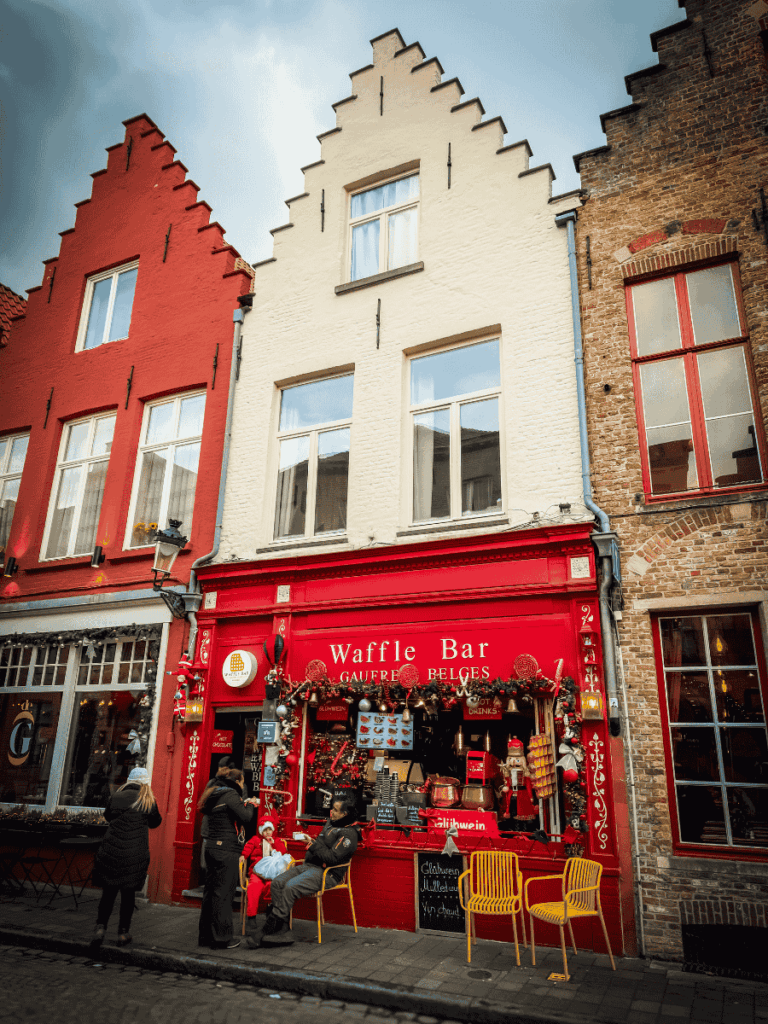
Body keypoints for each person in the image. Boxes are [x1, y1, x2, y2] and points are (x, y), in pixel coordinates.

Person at [258, 796, 361, 947]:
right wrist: (312, 843)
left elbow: (331, 858)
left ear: (344, 814)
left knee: (290, 887)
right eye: (332, 808)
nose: (331, 812)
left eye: (335, 810)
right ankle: (283, 929)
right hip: (310, 866)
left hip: (328, 873)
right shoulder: (330, 824)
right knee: (278, 883)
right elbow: (320, 846)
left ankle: (272, 927)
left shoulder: (349, 834)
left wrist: (312, 845)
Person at [90, 766, 162, 950]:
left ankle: (100, 928)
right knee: (128, 895)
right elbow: (156, 822)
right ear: (145, 782)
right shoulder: (147, 800)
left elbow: (108, 816)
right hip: (134, 854)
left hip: (111, 851)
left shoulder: (116, 796)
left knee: (108, 894)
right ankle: (123, 932)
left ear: (129, 780)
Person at [197, 767, 257, 949]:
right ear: (238, 781)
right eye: (243, 781)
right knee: (223, 894)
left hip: (212, 847)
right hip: (226, 850)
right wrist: (251, 804)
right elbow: (246, 817)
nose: (243, 784)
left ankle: (206, 936)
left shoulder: (215, 793)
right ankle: (222, 938)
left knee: (210, 893)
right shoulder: (231, 795)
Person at [240, 819, 290, 948]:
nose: (268, 833)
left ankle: (271, 915)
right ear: (261, 831)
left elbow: (283, 853)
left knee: (272, 887)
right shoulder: (256, 840)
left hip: (272, 874)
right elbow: (248, 847)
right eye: (265, 830)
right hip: (257, 873)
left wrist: (274, 846)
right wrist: (243, 856)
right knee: (254, 887)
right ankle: (251, 917)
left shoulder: (277, 841)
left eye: (270, 830)